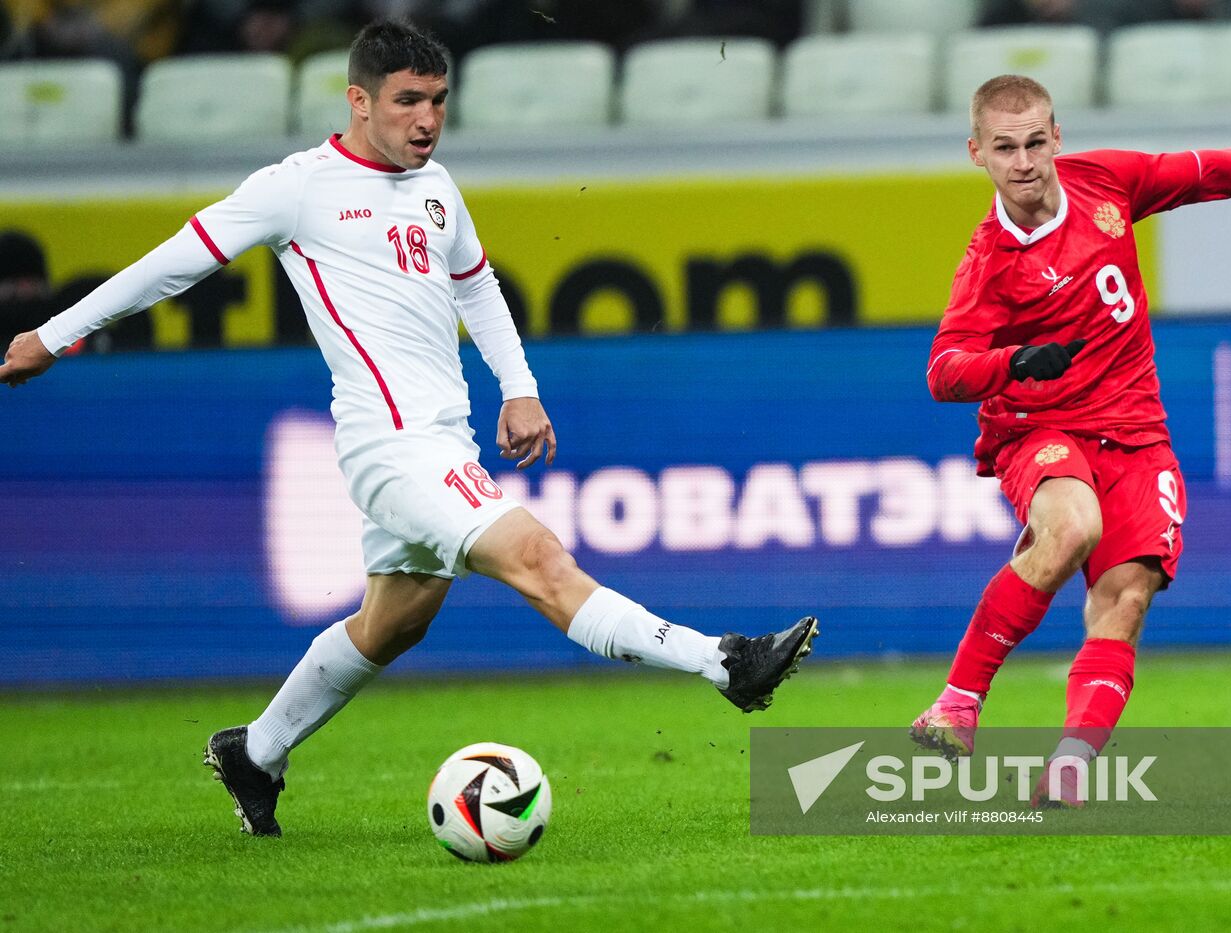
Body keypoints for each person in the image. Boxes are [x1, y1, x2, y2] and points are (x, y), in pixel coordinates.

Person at [0, 19, 818, 837]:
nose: (425, 120)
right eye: (406, 102)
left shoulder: (437, 188)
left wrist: (520, 388)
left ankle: (257, 749)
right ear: (358, 100)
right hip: (391, 449)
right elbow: (175, 260)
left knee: (396, 619)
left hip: (444, 437)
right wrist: (51, 335)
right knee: (537, 557)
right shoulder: (297, 187)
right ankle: (725, 660)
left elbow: (477, 286)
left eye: (437, 101)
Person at [909, 74, 1231, 807]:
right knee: (1070, 529)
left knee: (1125, 597)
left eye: (1036, 141)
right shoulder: (989, 264)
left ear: (1057, 138)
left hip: (1136, 434)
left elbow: (1206, 173)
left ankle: (1069, 765)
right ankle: (958, 702)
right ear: (979, 154)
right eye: (1006, 148)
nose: (1025, 161)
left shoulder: (1105, 182)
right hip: (1042, 427)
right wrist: (1013, 362)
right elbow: (944, 370)